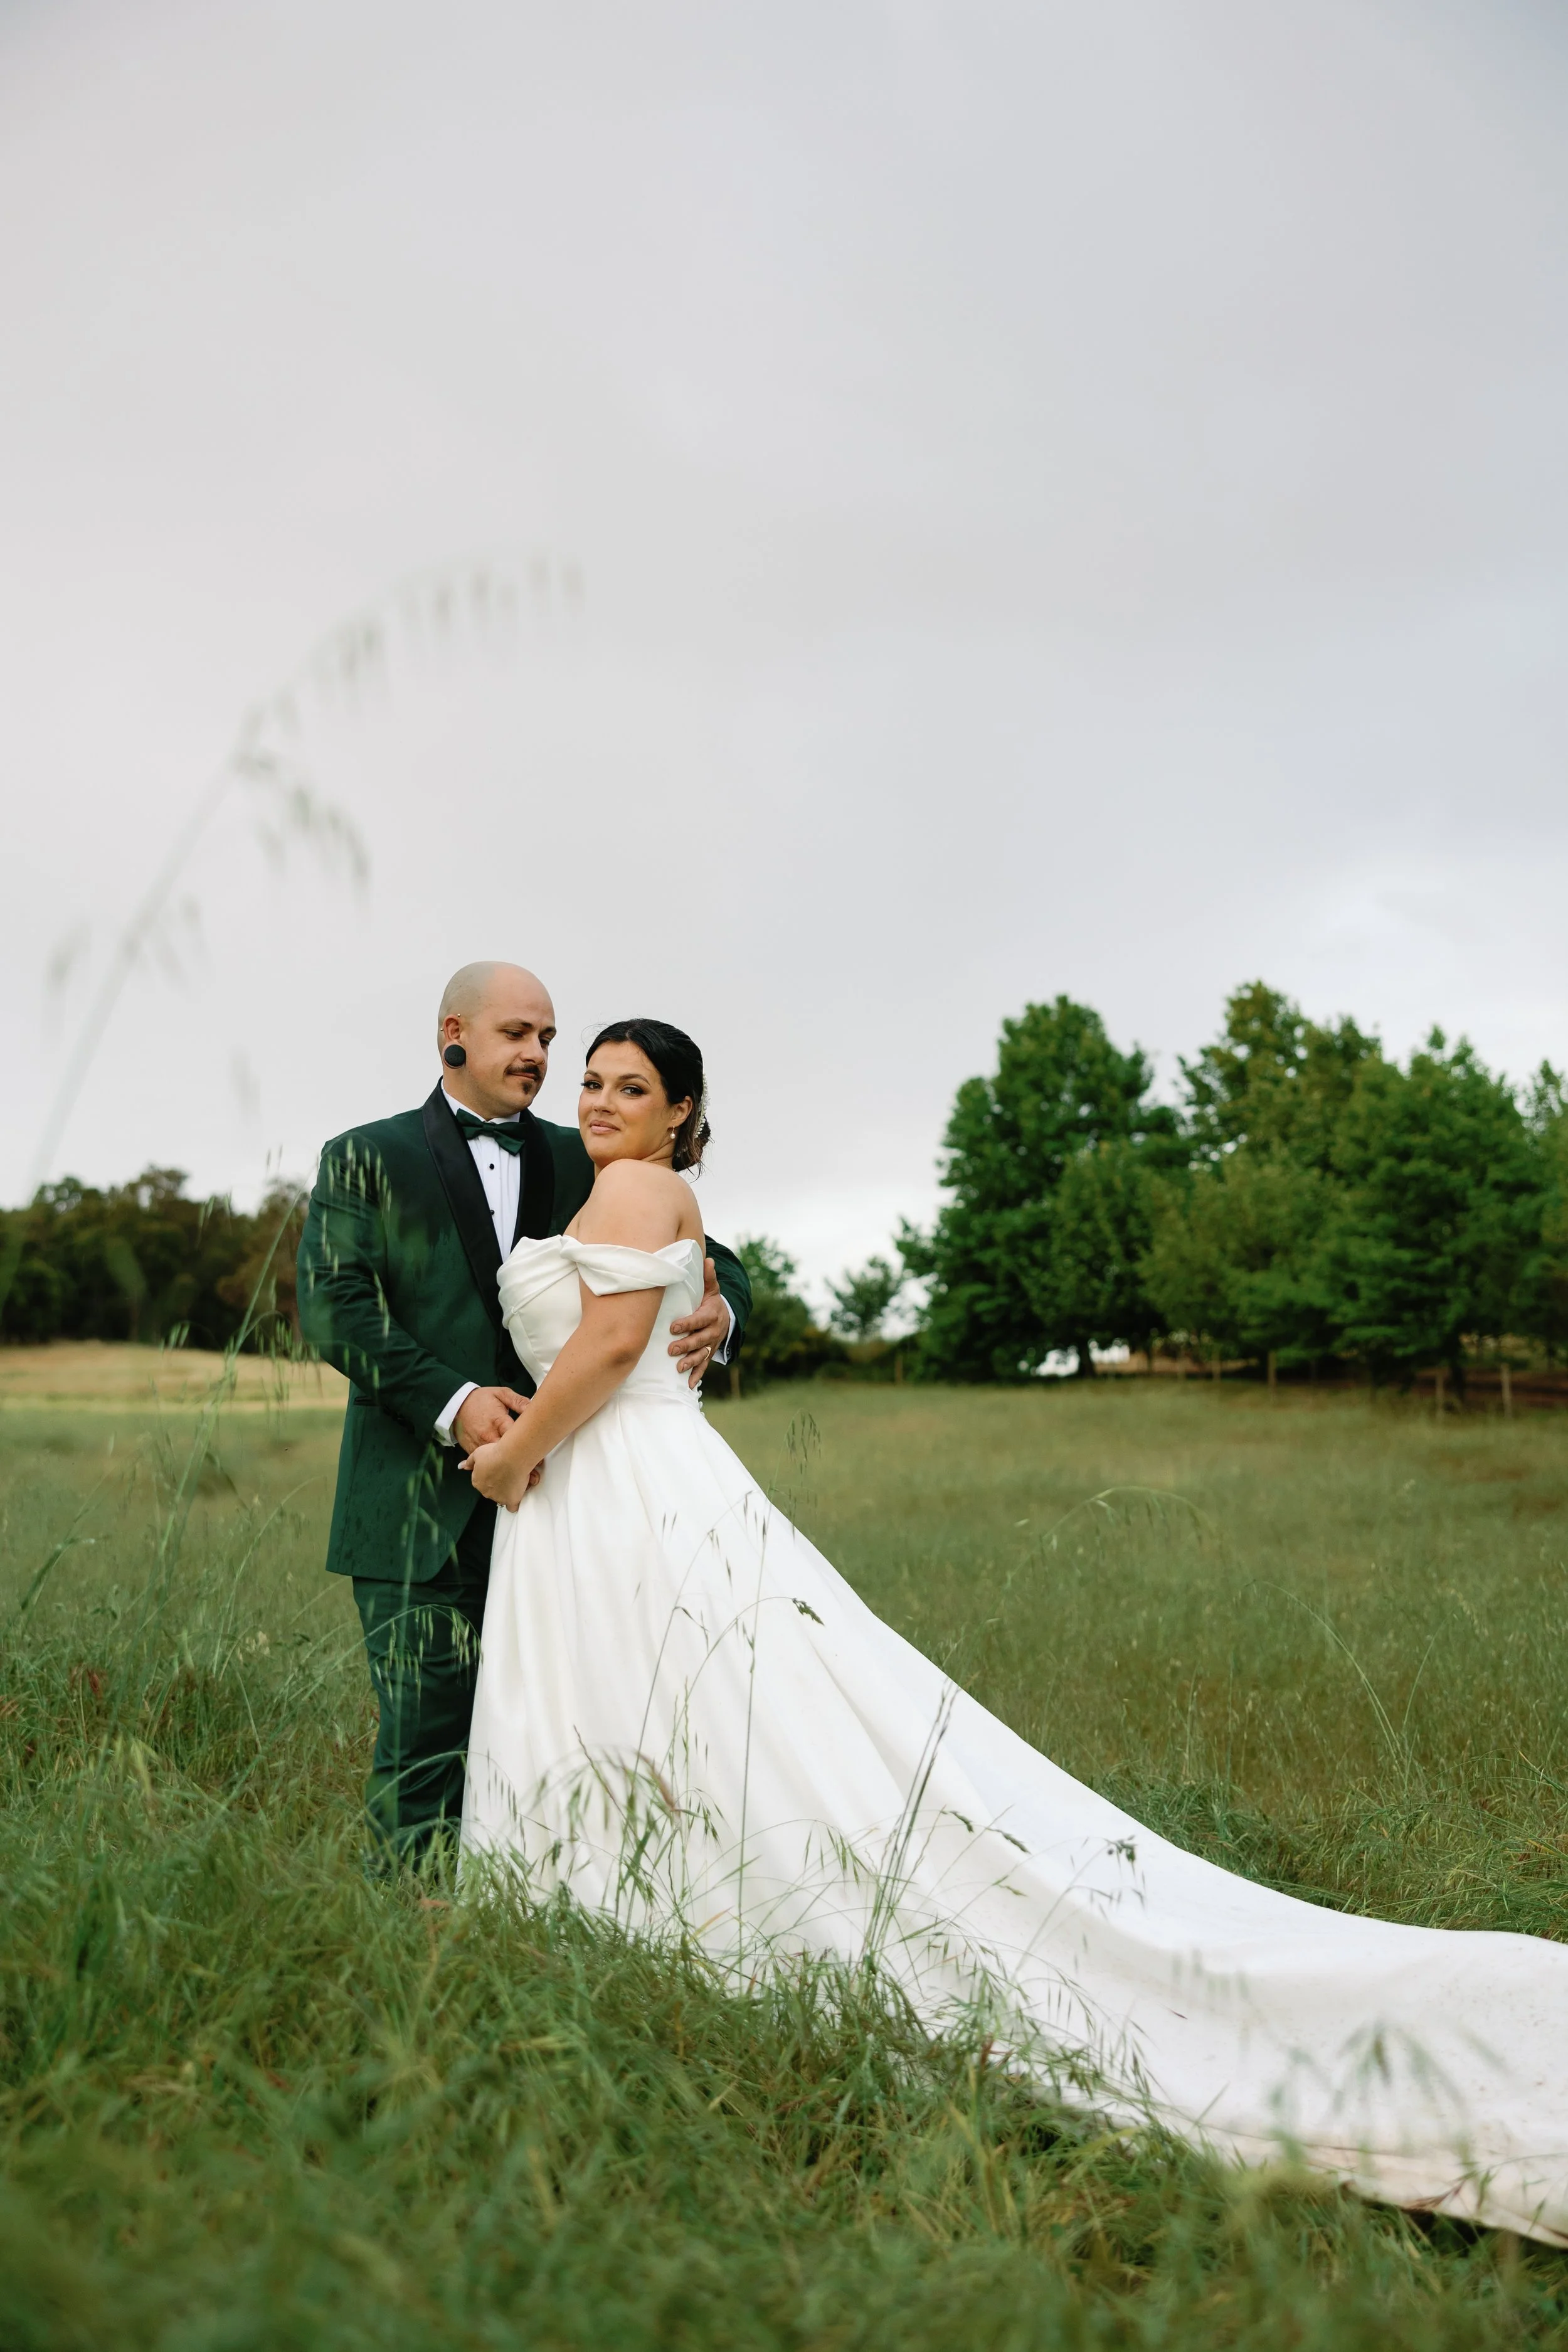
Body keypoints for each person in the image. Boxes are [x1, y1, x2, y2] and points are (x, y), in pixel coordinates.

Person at [458, 1015, 1568, 2247]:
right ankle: (650, 1917)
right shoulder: (654, 1198)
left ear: (680, 1115)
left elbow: (615, 1343)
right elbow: (684, 1324)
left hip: (611, 1487)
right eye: (593, 1081)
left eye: (632, 1086)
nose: (602, 1099)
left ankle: (667, 1924)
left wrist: (511, 1458)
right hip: (639, 1481)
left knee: (689, 1709)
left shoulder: (634, 1185)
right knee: (705, 1713)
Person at [295, 964, 751, 1863]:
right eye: (517, 1034)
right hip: (415, 1504)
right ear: (452, 1034)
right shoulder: (363, 1154)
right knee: (423, 1739)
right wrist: (455, 1404)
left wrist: (722, 1311)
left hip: (571, 1504)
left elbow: (708, 1250)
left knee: (566, 1728)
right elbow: (334, 1306)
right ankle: (413, 1934)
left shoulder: (588, 1151)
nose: (538, 1054)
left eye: (548, 1036)